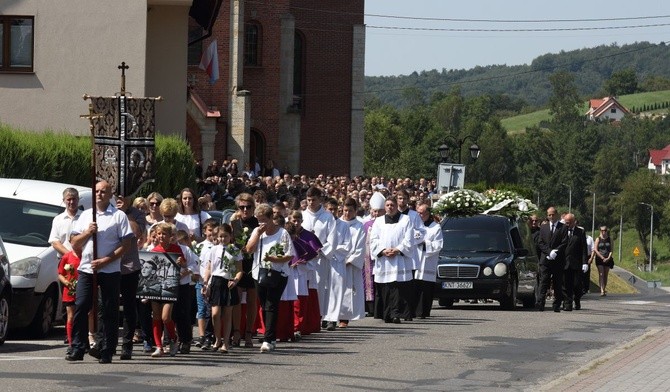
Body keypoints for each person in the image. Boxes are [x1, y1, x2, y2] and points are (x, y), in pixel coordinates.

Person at [66, 180, 133, 364]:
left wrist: (106, 260)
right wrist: (88, 232)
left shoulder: (118, 216)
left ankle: (106, 349)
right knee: (81, 305)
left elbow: (126, 244)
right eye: (97, 191)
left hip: (109, 270)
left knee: (109, 309)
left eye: (104, 191)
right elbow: (74, 243)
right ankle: (78, 347)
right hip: (87, 269)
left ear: (110, 194)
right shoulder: (86, 215)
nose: (99, 194)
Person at [243, 203, 295, 353]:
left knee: (271, 304)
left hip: (278, 273)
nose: (262, 224)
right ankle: (270, 336)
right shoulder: (257, 232)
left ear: (272, 218)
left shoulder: (282, 233)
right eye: (259, 220)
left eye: (264, 220)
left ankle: (267, 339)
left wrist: (275, 259)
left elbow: (289, 254)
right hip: (259, 273)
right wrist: (257, 234)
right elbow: (248, 249)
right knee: (264, 304)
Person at [369, 196, 414, 323]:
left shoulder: (406, 220)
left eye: (392, 205)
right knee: (386, 288)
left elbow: (409, 239)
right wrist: (382, 251)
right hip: (384, 260)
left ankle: (397, 314)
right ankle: (387, 314)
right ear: (385, 207)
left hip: (399, 259)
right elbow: (373, 239)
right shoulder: (378, 221)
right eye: (388, 205)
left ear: (396, 206)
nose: (390, 207)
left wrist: (398, 249)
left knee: (399, 288)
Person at [148, 222, 189, 357]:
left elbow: (184, 264)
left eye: (163, 234)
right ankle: (159, 346)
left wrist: (180, 263)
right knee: (156, 316)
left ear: (170, 236)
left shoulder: (176, 249)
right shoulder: (153, 251)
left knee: (166, 317)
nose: (160, 236)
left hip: (170, 287)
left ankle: (173, 338)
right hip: (156, 287)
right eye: (159, 234)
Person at [203, 223, 243, 354]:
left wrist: (235, 280)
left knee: (227, 314)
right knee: (215, 313)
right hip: (216, 281)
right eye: (220, 236)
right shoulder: (213, 250)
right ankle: (217, 339)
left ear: (230, 236)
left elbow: (239, 270)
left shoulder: (235, 250)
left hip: (228, 282)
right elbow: (209, 268)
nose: (222, 239)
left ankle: (226, 342)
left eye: (225, 236)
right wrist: (206, 283)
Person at [301, 187, 337, 326]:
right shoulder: (302, 216)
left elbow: (332, 238)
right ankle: (306, 318)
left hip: (320, 258)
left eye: (313, 200)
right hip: (304, 259)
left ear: (320, 199)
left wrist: (320, 251)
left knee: (321, 287)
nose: (311, 203)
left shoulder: (328, 217)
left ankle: (321, 316)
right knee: (305, 288)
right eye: (308, 200)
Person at [230, 193, 259, 348]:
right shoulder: (234, 223)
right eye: (242, 207)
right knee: (236, 299)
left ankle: (249, 333)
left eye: (248, 207)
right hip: (238, 264)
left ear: (253, 208)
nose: (245, 210)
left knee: (252, 301)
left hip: (253, 263)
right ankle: (236, 332)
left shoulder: (257, 223)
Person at [334, 197, 367, 327]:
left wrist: (349, 260)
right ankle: (330, 316)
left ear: (355, 211)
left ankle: (344, 318)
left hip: (349, 264)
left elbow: (360, 248)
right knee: (333, 289)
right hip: (336, 262)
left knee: (347, 291)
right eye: (345, 210)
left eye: (350, 211)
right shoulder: (337, 224)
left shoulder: (359, 226)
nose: (347, 213)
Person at [414, 201, 443, 319]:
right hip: (416, 261)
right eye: (418, 213)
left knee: (425, 288)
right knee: (415, 287)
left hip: (427, 262)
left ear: (428, 214)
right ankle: (413, 311)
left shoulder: (435, 227)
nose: (419, 216)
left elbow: (439, 244)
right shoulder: (414, 225)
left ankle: (423, 312)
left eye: (422, 213)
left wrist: (424, 243)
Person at [536, 206, 568, 312]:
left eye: (553, 214)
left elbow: (564, 242)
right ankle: (540, 303)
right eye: (549, 215)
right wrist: (549, 252)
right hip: (545, 259)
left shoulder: (563, 227)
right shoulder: (543, 227)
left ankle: (557, 304)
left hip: (558, 260)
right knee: (544, 281)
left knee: (557, 282)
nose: (551, 216)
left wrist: (556, 251)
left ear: (557, 215)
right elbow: (540, 242)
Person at [57, 243, 82, 355]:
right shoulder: (67, 256)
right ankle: (71, 343)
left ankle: (84, 341)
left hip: (83, 290)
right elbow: (60, 274)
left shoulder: (86, 256)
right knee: (70, 316)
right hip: (70, 291)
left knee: (83, 316)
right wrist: (66, 282)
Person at [561, 214, 588, 311]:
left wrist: (585, 262)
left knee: (576, 285)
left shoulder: (580, 232)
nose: (567, 224)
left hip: (576, 263)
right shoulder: (562, 231)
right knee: (565, 284)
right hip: (564, 263)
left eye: (569, 222)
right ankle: (567, 303)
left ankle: (577, 300)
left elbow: (584, 248)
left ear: (574, 222)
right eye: (566, 222)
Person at [49, 187, 82, 258]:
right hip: (64, 260)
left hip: (83, 261)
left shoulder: (85, 217)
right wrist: (71, 256)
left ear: (78, 199)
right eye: (69, 199)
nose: (72, 202)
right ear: (63, 200)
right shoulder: (58, 219)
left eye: (74, 199)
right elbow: (55, 242)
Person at [594, 225, 614, 296]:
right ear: (600, 231)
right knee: (601, 274)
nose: (603, 232)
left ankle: (604, 288)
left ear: (606, 231)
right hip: (600, 258)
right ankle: (602, 290)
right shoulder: (598, 239)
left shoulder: (610, 239)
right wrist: (602, 257)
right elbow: (595, 249)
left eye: (605, 230)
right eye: (602, 230)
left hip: (607, 258)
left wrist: (608, 258)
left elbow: (611, 250)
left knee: (605, 275)